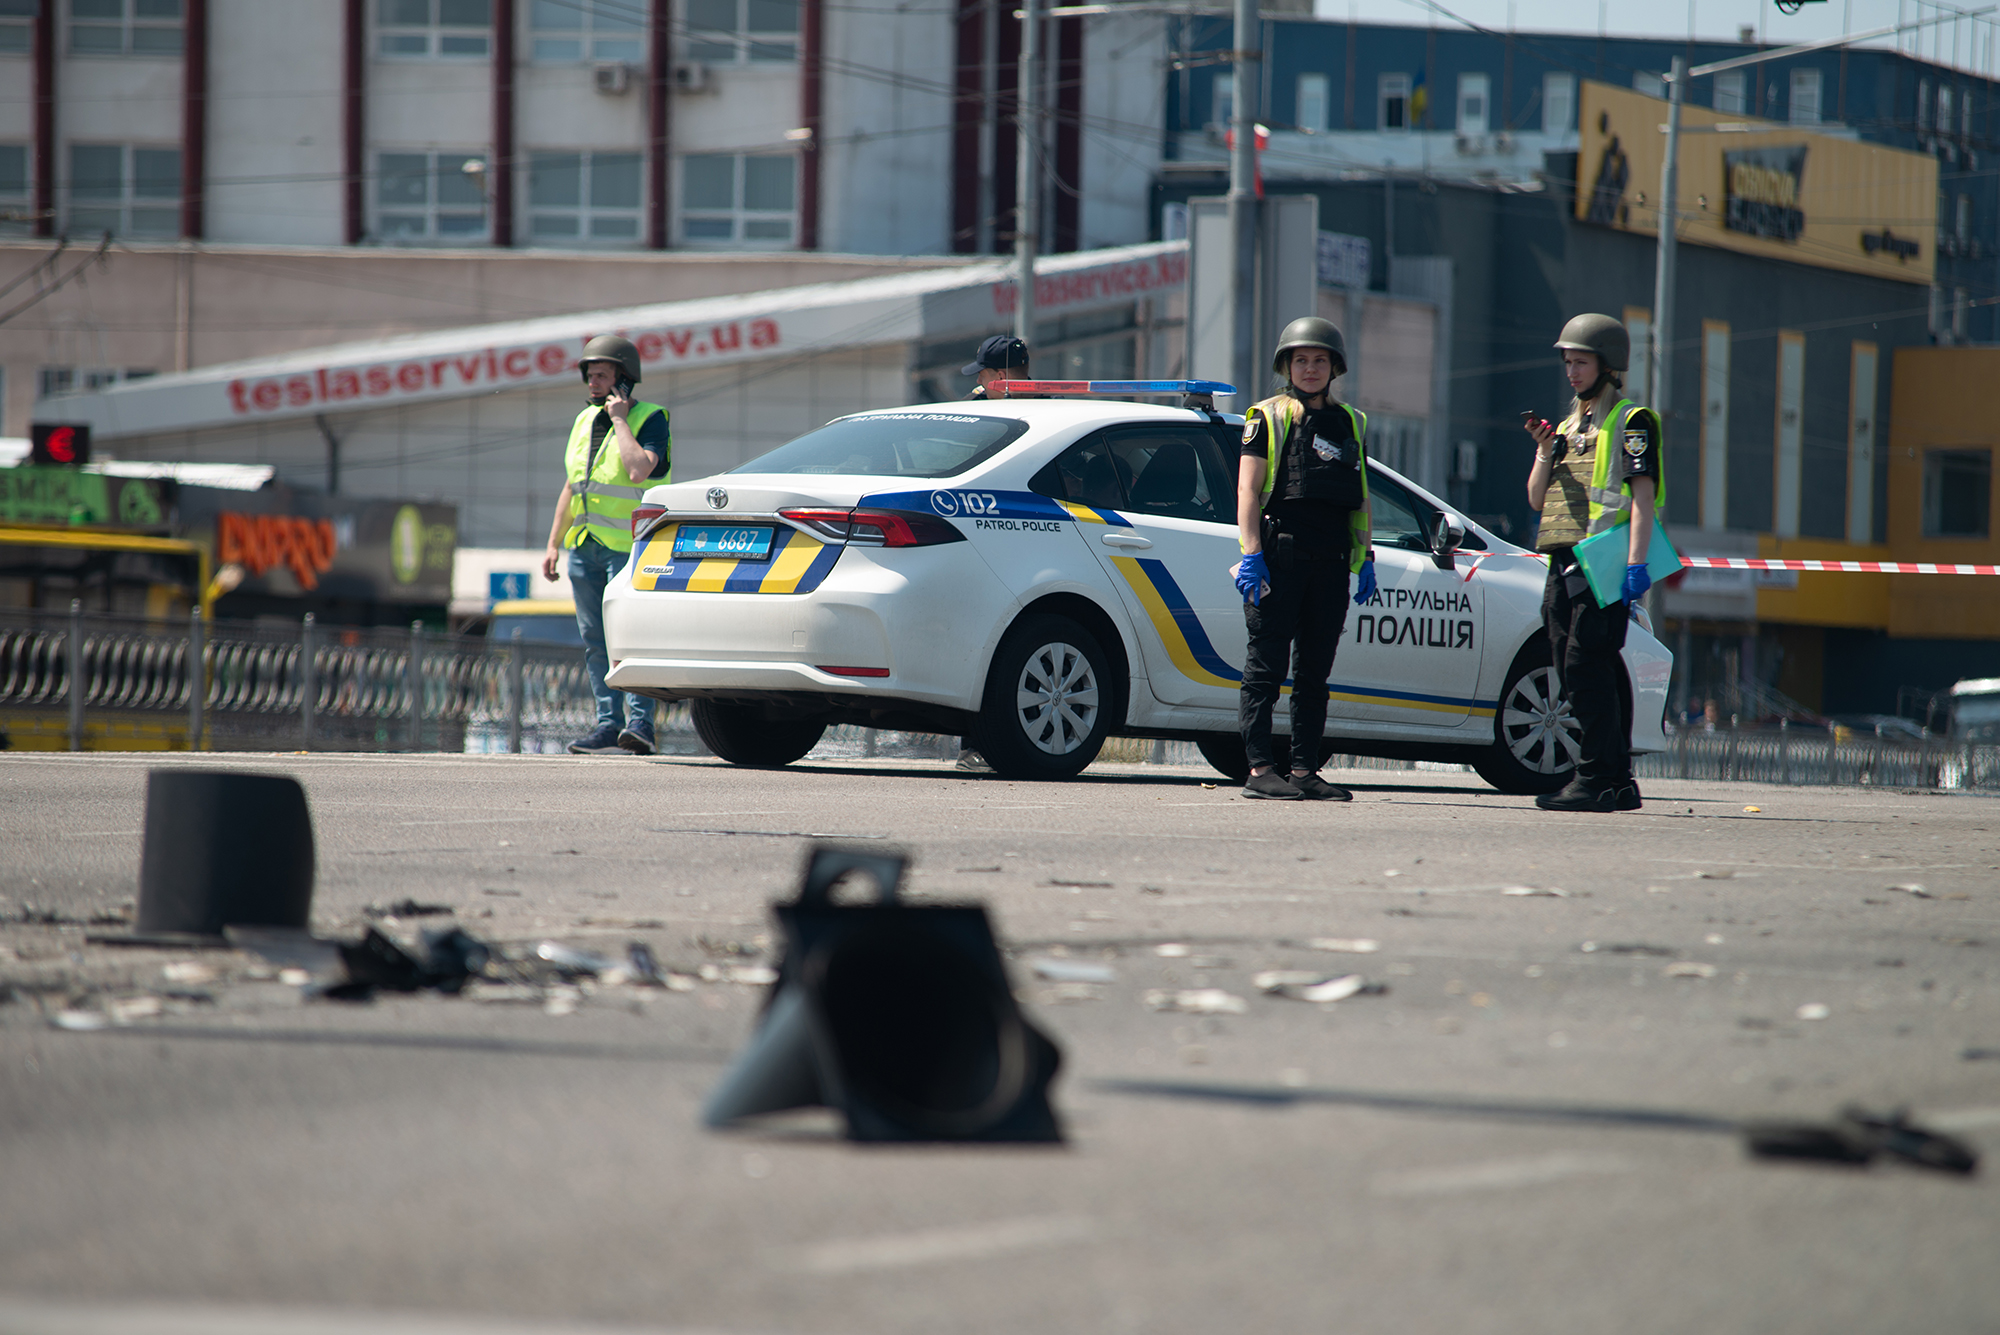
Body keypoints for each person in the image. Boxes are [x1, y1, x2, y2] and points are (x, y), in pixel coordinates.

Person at [1523, 313, 1663, 811]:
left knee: (1586, 664)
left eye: (1580, 361)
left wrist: (1635, 566)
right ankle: (1615, 779)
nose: (1572, 371)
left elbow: (1643, 499)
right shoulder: (1565, 427)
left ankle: (1599, 776)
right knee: (1571, 664)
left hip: (1602, 562)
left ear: (1607, 365)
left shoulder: (1632, 421)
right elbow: (1537, 499)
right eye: (1568, 362)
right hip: (1562, 561)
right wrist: (1545, 452)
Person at [1233, 316, 1377, 801]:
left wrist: (1366, 556)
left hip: (1332, 561)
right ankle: (1257, 770)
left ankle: (1303, 770)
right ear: (1287, 366)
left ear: (1334, 366)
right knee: (1266, 669)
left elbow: (1360, 497)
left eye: (1319, 360)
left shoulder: (1353, 421)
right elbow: (1247, 490)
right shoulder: (1265, 416)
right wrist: (1251, 554)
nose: (1310, 368)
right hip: (1281, 556)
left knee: (1314, 674)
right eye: (1301, 360)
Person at [541, 334, 671, 756]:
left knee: (629, 636)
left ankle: (640, 725)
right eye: (589, 375)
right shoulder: (581, 422)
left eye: (601, 375)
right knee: (595, 640)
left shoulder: (651, 419)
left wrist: (619, 419)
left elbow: (638, 472)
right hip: (584, 545)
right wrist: (552, 544)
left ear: (624, 379)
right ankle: (607, 725)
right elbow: (571, 485)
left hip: (629, 548)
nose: (592, 383)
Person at [952, 333, 1034, 773]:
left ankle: (977, 745)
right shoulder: (1051, 411)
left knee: (986, 643)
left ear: (1000, 377)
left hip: (996, 543)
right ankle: (978, 745)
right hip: (1026, 543)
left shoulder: (983, 416)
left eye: (982, 375)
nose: (978, 383)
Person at [963, 334, 1031, 399]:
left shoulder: (971, 407)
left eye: (982, 376)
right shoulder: (1040, 404)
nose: (978, 381)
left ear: (1001, 377)